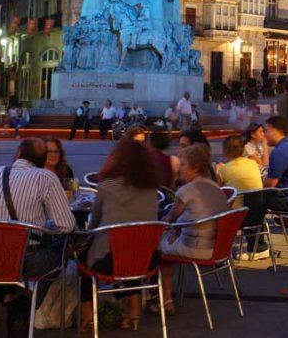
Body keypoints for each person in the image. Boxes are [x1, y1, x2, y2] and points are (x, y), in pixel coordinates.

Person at [79, 139, 160, 331]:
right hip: (147, 261)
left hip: (109, 263)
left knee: (82, 259)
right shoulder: (152, 191)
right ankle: (134, 309)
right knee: (132, 248)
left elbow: (94, 224)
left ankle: (87, 316)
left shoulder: (107, 186)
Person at [0, 137, 75, 267]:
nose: (53, 155)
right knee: (67, 254)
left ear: (19, 153)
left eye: (56, 151)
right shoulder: (46, 177)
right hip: (25, 262)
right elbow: (67, 226)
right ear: (43, 158)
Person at [157, 145, 229, 315]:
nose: (179, 168)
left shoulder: (186, 191)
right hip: (217, 249)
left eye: (183, 164)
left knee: (155, 244)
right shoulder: (216, 188)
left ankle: (163, 298)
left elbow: (170, 220)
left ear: (195, 167)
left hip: (195, 248)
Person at [216, 134, 263, 200]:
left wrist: (217, 171)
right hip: (257, 204)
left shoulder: (223, 169)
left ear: (225, 150)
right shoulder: (253, 163)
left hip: (236, 205)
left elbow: (217, 189)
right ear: (243, 149)